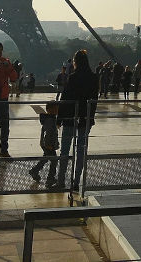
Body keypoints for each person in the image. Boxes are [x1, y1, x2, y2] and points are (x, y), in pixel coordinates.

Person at [55, 49, 99, 191]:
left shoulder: (73, 78)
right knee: (80, 151)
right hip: (85, 119)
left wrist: (59, 118)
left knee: (65, 151)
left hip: (70, 118)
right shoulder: (94, 78)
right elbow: (94, 101)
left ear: (75, 62)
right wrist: (90, 118)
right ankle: (76, 181)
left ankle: (61, 180)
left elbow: (65, 99)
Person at [29, 101, 60, 186]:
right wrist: (48, 144)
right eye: (56, 108)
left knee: (46, 158)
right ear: (50, 109)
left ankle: (35, 171)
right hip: (48, 144)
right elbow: (48, 133)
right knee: (54, 160)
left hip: (46, 144)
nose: (57, 110)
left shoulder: (49, 118)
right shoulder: (50, 120)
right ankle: (50, 179)